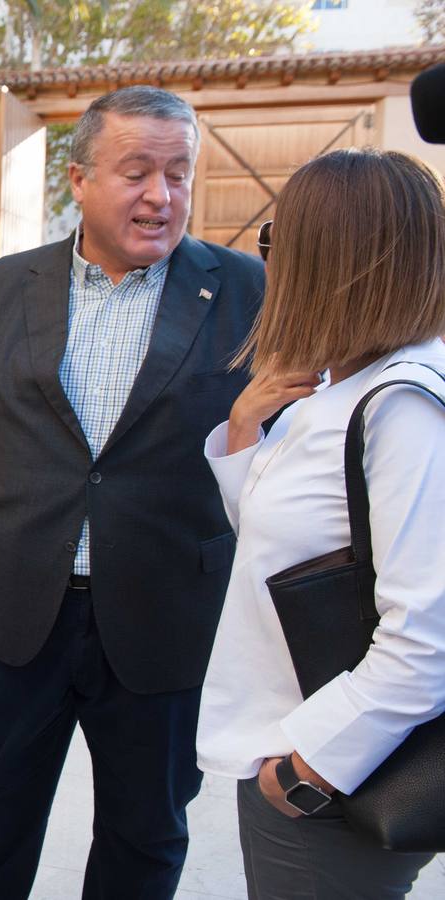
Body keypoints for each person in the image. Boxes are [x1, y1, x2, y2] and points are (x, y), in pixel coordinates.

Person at [0, 85, 265, 900]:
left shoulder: (246, 290)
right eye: (137, 172)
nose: (161, 196)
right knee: (2, 806)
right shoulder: (1, 285)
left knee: (147, 831)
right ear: (79, 179)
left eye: (179, 174)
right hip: (23, 611)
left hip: (166, 619)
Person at [198, 147, 445, 899]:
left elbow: (427, 639)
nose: (269, 261)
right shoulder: (343, 384)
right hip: (297, 741)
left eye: (279, 241)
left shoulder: (405, 406)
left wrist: (303, 770)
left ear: (330, 260)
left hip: (337, 776)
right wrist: (244, 430)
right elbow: (290, 556)